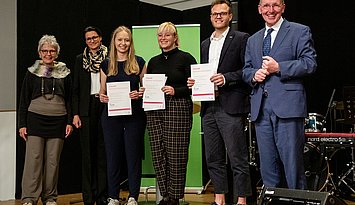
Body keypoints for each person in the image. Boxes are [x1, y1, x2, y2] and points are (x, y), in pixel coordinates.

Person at [242, 0, 317, 189]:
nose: (270, 10)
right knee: (268, 168)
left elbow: (309, 63)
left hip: (288, 109)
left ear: (283, 7)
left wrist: (279, 67)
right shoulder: (253, 39)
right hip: (261, 110)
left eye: (275, 5)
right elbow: (246, 69)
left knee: (293, 167)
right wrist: (253, 75)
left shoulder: (299, 31)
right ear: (259, 9)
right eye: (266, 6)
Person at [187, 1, 252, 204]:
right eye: (214, 13)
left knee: (237, 158)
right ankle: (219, 198)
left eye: (222, 13)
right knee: (213, 158)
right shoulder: (205, 44)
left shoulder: (241, 38)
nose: (218, 17)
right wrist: (194, 82)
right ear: (210, 16)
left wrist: (226, 78)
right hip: (208, 106)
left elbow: (247, 70)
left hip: (230, 105)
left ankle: (241, 200)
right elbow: (205, 73)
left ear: (229, 16)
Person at [145, 22, 197, 205]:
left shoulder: (186, 58)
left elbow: (196, 87)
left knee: (176, 153)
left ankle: (174, 197)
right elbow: (147, 84)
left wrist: (177, 91)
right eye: (160, 35)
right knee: (158, 152)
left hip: (178, 107)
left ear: (175, 37)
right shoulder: (153, 61)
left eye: (167, 35)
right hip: (154, 109)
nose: (163, 39)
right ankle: (165, 195)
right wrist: (144, 91)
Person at [18, 35, 73, 205]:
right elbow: (24, 99)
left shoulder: (65, 72)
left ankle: (50, 197)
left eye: (52, 51)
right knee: (33, 160)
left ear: (56, 53)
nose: (48, 54)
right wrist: (22, 124)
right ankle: (29, 197)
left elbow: (70, 99)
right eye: (45, 50)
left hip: (58, 121)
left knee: (52, 161)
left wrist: (69, 121)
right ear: (39, 52)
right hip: (35, 119)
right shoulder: (31, 72)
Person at [99, 26, 146, 205]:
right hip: (111, 117)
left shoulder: (139, 62)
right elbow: (102, 92)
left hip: (134, 116)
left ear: (130, 42)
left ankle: (133, 195)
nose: (123, 43)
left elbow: (146, 89)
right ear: (114, 42)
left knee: (133, 156)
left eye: (126, 40)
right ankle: (113, 196)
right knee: (113, 156)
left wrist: (140, 93)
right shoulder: (106, 64)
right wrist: (103, 97)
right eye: (120, 40)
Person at [72, 26, 108, 205]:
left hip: (105, 105)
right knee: (87, 154)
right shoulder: (80, 60)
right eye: (88, 39)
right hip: (86, 110)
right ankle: (88, 196)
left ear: (100, 38)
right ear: (85, 41)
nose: (92, 41)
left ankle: (102, 195)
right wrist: (76, 114)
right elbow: (75, 90)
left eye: (95, 37)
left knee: (102, 152)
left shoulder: (110, 58)